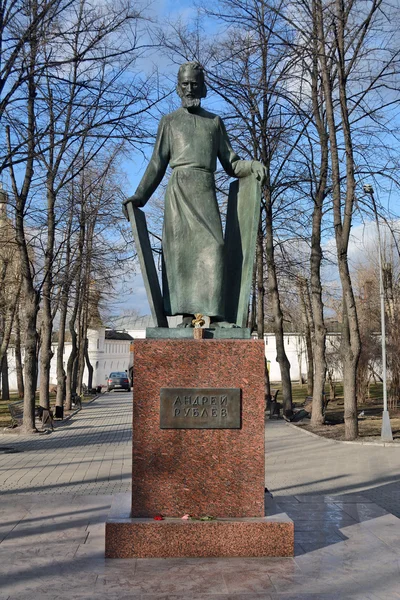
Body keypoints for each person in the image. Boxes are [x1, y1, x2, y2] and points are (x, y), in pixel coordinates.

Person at [123, 61, 266, 327]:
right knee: (180, 253)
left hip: (204, 188)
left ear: (203, 87)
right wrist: (140, 196)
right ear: (178, 88)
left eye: (195, 84)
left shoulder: (214, 122)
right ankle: (188, 315)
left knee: (215, 247)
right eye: (185, 84)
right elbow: (157, 163)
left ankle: (215, 314)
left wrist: (252, 166)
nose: (190, 89)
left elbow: (232, 163)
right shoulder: (169, 122)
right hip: (179, 192)